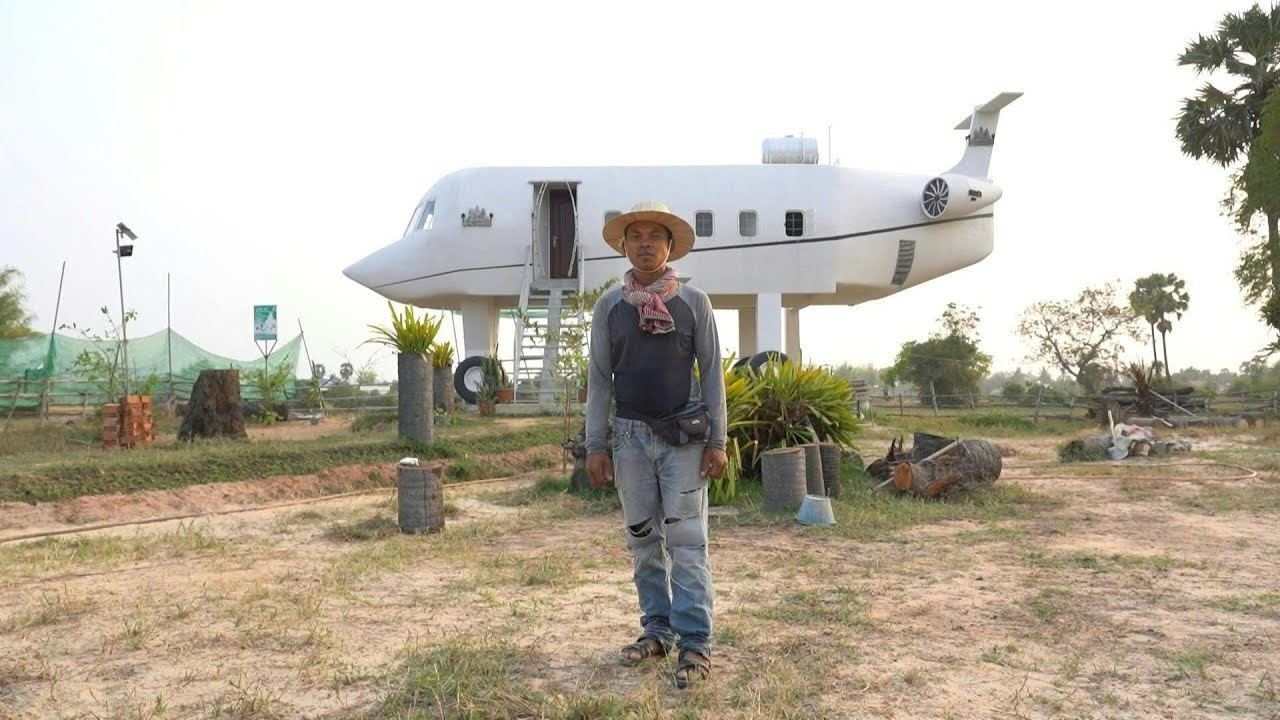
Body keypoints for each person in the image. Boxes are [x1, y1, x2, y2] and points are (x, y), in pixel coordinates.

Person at [584, 200, 728, 689]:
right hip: (628, 439)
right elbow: (599, 380)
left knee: (688, 544)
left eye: (655, 236)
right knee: (644, 541)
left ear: (670, 246)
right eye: (635, 236)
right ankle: (657, 631)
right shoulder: (610, 307)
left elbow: (712, 373)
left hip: (683, 440)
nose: (645, 244)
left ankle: (695, 645)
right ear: (624, 247)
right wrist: (595, 445)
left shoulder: (694, 303)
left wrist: (719, 439)